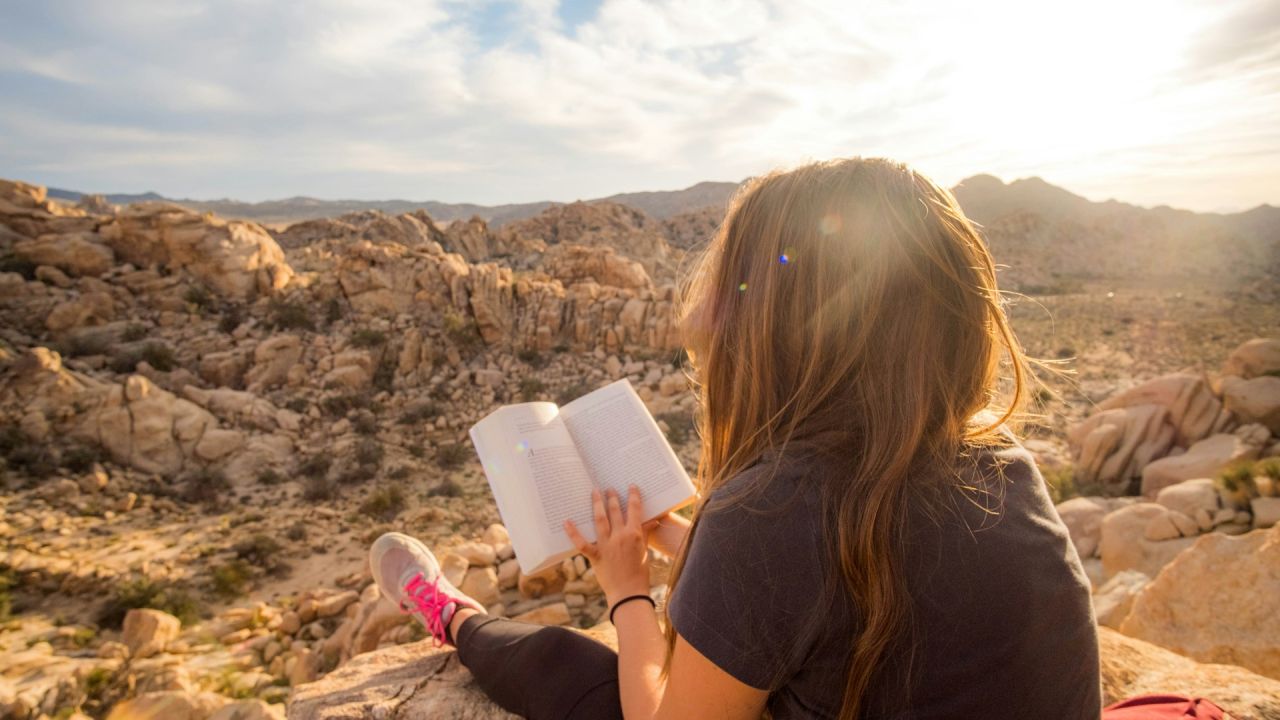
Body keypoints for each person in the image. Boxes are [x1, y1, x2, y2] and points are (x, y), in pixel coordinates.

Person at [370, 157, 1103, 720]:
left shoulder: (772, 512)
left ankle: (448, 613)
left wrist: (627, 593)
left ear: (775, 332)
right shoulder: (1003, 470)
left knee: (573, 668)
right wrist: (684, 542)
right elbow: (840, 589)